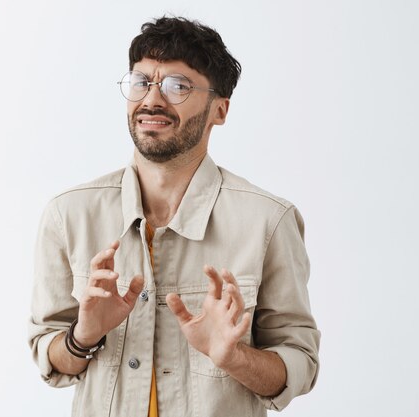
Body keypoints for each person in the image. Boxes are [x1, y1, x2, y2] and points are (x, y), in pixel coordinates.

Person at [28, 16, 320, 417]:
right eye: (141, 82)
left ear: (219, 110)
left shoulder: (268, 221)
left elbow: (299, 363)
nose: (152, 100)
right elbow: (49, 354)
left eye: (177, 86)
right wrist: (84, 335)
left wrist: (233, 357)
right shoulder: (69, 214)